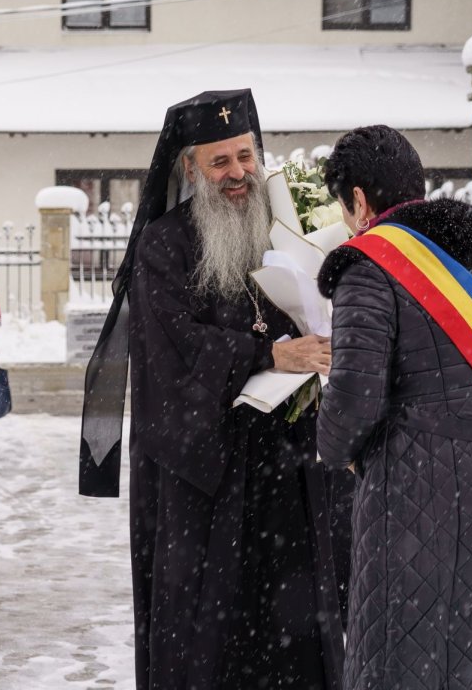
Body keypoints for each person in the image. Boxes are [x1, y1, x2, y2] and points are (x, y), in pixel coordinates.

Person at [80, 90, 346, 689]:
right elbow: (172, 349)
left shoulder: (284, 228)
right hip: (204, 471)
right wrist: (265, 353)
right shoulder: (163, 246)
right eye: (219, 161)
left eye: (245, 156)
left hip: (284, 457)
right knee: (207, 627)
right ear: (190, 169)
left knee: (293, 616)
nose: (237, 174)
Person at [315, 125, 472, 690]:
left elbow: (353, 398)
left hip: (418, 485)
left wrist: (334, 448)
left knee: (403, 658)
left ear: (360, 200)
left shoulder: (368, 268)